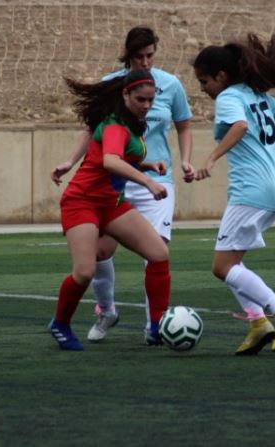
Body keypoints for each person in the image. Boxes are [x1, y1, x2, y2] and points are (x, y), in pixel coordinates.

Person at [51, 26, 193, 345]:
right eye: (140, 99)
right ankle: (61, 323)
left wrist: (148, 164)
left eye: (151, 100)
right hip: (83, 201)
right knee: (85, 271)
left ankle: (156, 327)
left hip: (111, 203)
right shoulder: (115, 123)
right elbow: (110, 161)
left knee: (158, 254)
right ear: (125, 95)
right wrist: (147, 180)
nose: (146, 105)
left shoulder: (134, 122)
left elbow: (119, 157)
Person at [192, 33, 275, 355]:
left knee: (222, 267)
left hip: (251, 191)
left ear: (221, 76)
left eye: (204, 81)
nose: (202, 89)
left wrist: (211, 158)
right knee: (234, 263)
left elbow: (240, 127)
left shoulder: (230, 98)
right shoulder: (256, 95)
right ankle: (257, 322)